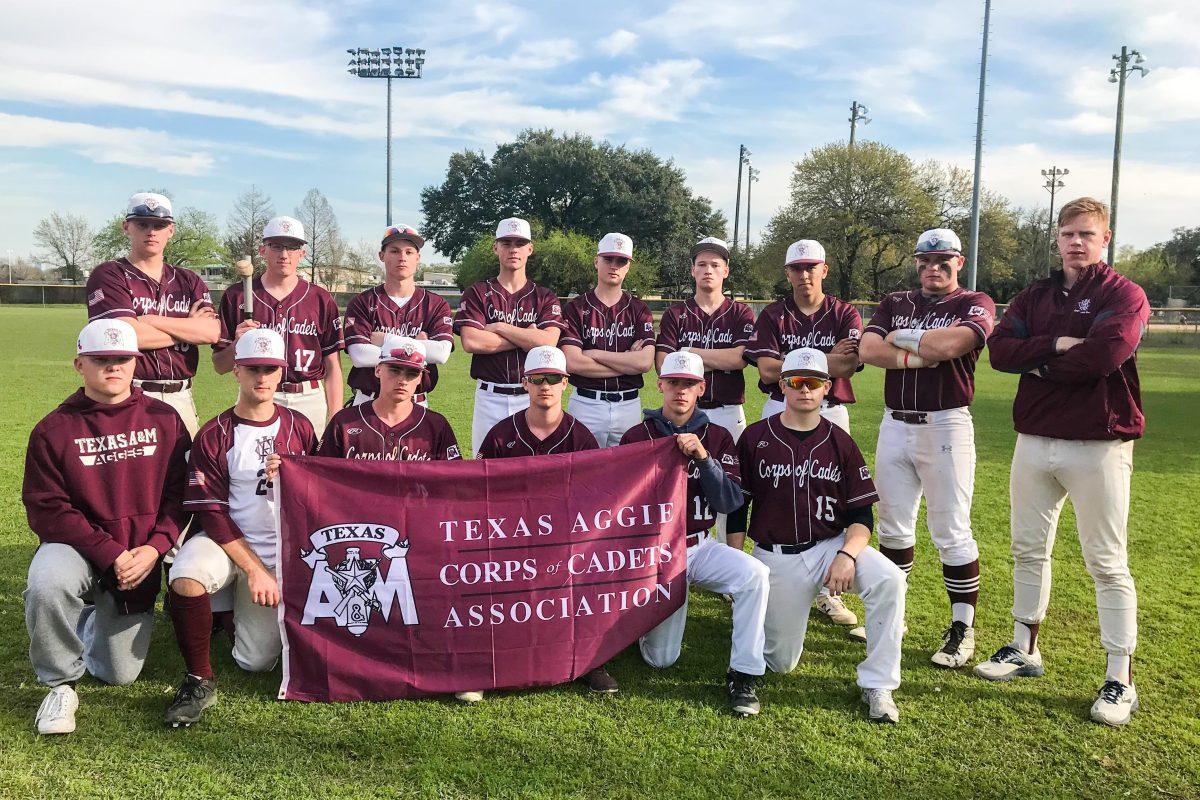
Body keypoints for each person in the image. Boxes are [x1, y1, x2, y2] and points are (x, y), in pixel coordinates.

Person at [978, 197, 1149, 727]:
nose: (1077, 242)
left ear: (1106, 239)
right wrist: (1054, 343)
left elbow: (1104, 354)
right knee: (1028, 548)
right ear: (1057, 238)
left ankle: (1120, 678)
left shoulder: (1124, 293)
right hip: (1034, 437)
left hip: (1098, 441)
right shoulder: (1035, 295)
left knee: (1106, 561)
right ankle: (1024, 647)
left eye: (1087, 234)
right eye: (1068, 233)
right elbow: (1001, 352)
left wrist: (1041, 364)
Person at [22, 319, 191, 734]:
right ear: (80, 365)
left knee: (119, 674)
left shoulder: (165, 419)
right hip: (78, 547)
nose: (112, 367)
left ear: (135, 364)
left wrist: (154, 549)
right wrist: (108, 552)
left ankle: (87, 619)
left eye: (121, 359)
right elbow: (47, 509)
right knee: (47, 583)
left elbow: (181, 496)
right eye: (101, 359)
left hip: (140, 554)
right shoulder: (53, 429)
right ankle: (59, 684)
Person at [728, 348, 905, 723]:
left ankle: (879, 684)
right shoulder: (756, 437)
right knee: (780, 662)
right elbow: (736, 508)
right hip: (777, 556)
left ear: (827, 387)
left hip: (829, 547)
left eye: (813, 382)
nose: (804, 390)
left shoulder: (840, 441)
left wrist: (848, 554)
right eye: (795, 381)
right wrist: (738, 563)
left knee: (889, 579)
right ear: (782, 385)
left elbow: (861, 515)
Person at [162, 328, 317, 727]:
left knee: (255, 661)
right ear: (236, 371)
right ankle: (199, 676)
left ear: (282, 372)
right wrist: (254, 570)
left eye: (269, 369)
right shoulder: (214, 433)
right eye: (252, 368)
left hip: (278, 548)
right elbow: (211, 512)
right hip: (223, 540)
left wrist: (298, 474)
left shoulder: (300, 428)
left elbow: (320, 494)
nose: (261, 378)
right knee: (187, 574)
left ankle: (225, 615)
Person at [857, 228, 996, 668]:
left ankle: (962, 627)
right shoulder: (896, 301)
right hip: (894, 423)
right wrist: (919, 352)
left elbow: (955, 343)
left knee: (951, 530)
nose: (933, 268)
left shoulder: (975, 302)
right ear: (916, 263)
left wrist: (902, 337)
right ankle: (893, 615)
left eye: (943, 260)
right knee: (893, 526)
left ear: (959, 261)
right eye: (925, 261)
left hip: (946, 423)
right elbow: (868, 348)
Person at [619, 351, 769, 717]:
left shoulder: (716, 436)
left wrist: (704, 459)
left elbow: (731, 501)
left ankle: (744, 673)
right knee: (661, 660)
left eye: (688, 384)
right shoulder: (638, 435)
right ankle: (642, 623)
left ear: (701, 388)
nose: (680, 392)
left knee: (755, 575)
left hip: (700, 546)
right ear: (661, 385)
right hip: (656, 553)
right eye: (673, 383)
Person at [478, 346, 615, 694]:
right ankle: (483, 664)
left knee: (588, 576)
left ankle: (588, 661)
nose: (545, 386)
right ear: (525, 383)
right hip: (509, 539)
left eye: (553, 378)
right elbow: (478, 493)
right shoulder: (500, 434)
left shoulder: (580, 436)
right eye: (537, 378)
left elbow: (594, 498)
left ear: (566, 383)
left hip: (564, 540)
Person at [744, 239, 863, 629]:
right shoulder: (773, 315)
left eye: (811, 267)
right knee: (773, 494)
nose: (804, 274)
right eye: (797, 268)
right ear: (788, 273)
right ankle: (769, 576)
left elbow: (850, 363)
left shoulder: (844, 312)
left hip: (832, 413)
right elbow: (765, 371)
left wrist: (792, 363)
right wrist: (824, 358)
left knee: (834, 497)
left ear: (824, 270)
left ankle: (829, 591)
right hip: (779, 408)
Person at [85, 192, 220, 435]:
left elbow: (210, 332)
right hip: (131, 393)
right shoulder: (109, 274)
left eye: (159, 225)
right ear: (126, 227)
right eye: (142, 224)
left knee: (182, 470)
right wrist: (188, 329)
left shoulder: (189, 280)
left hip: (182, 396)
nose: (151, 231)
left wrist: (151, 321)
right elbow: (125, 336)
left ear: (171, 230)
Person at [656, 236, 756, 545]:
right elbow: (663, 364)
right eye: (702, 265)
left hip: (726, 411)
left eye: (715, 264)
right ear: (692, 271)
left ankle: (733, 558)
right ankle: (680, 552)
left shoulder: (741, 313)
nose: (708, 270)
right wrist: (717, 358)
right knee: (681, 483)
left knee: (732, 484)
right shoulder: (676, 314)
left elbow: (740, 359)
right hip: (682, 415)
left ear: (726, 271)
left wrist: (687, 352)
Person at [214, 216, 343, 437]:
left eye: (292, 247)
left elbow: (332, 366)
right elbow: (219, 366)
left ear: (302, 253)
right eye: (276, 246)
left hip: (308, 398)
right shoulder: (237, 296)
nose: (284, 254)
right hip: (256, 395)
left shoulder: (320, 298)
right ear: (263, 250)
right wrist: (237, 344)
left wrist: (335, 416)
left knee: (307, 468)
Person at [453, 218, 565, 455]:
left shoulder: (545, 296)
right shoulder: (478, 292)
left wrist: (500, 327)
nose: (513, 248)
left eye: (520, 242)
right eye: (506, 242)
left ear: (530, 249)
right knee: (486, 471)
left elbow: (548, 343)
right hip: (489, 396)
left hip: (531, 397)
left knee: (533, 468)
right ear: (496, 247)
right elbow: (472, 341)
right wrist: (528, 338)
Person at [560, 233, 655, 446]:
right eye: (608, 259)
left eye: (621, 261)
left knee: (626, 475)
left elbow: (644, 362)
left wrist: (594, 354)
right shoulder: (576, 307)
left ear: (628, 267)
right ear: (596, 261)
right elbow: (572, 362)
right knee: (583, 472)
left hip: (628, 404)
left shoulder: (639, 310)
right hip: (586, 402)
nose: (614, 266)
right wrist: (627, 362)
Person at [343, 225, 454, 408]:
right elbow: (360, 356)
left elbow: (441, 353)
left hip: (416, 401)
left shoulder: (435, 304)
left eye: (409, 252)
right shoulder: (362, 302)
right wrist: (417, 346)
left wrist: (385, 339)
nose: (402, 257)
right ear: (382, 256)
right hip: (368, 400)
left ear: (418, 258)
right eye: (394, 251)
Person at [318, 335, 462, 462]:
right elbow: (320, 474)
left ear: (420, 378)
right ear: (378, 370)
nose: (402, 380)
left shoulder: (436, 426)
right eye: (394, 370)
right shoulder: (344, 422)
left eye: (412, 373)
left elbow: (454, 479)